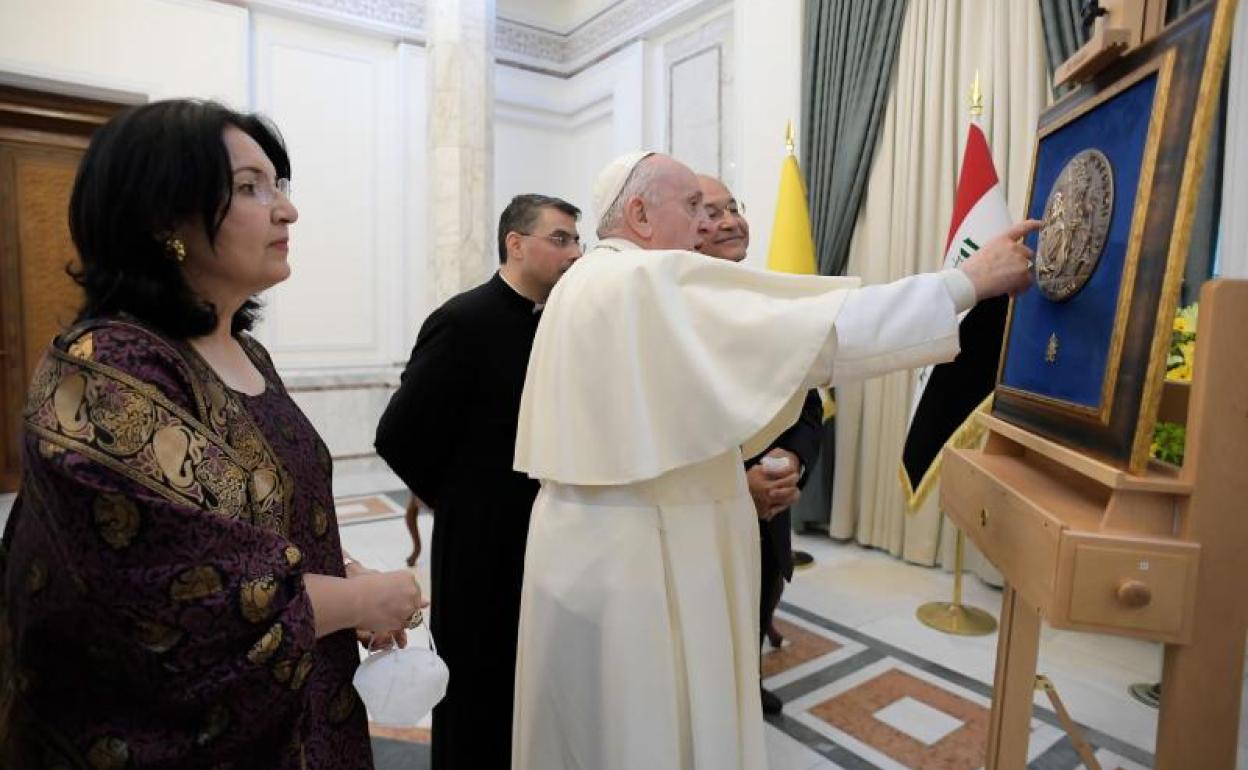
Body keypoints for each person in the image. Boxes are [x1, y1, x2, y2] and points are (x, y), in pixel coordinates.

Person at [510, 150, 1039, 770]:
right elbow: (824, 332)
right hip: (647, 558)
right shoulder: (647, 278)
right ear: (639, 215)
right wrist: (967, 282)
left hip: (578, 551)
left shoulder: (580, 283)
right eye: (693, 206)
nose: (706, 224)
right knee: (653, 730)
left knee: (590, 729)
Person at [0, 99, 423, 770]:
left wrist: (342, 580)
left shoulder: (247, 353)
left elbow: (261, 523)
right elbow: (170, 590)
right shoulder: (110, 370)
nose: (287, 211)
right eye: (250, 188)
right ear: (163, 218)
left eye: (278, 185)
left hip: (305, 709)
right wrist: (358, 599)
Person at [375, 194, 583, 770]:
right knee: (476, 690)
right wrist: (463, 501)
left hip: (547, 536)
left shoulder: (561, 325)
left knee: (534, 683)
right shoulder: (463, 320)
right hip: (479, 545)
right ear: (516, 244)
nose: (575, 252)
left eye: (577, 240)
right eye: (560, 238)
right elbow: (398, 433)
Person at [696, 174, 821, 716]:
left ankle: (747, 685)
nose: (731, 221)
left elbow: (808, 404)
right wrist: (733, 482)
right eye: (712, 212)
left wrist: (792, 458)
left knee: (758, 604)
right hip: (701, 518)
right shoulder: (669, 310)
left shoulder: (773, 302)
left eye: (734, 207)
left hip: (769, 513)